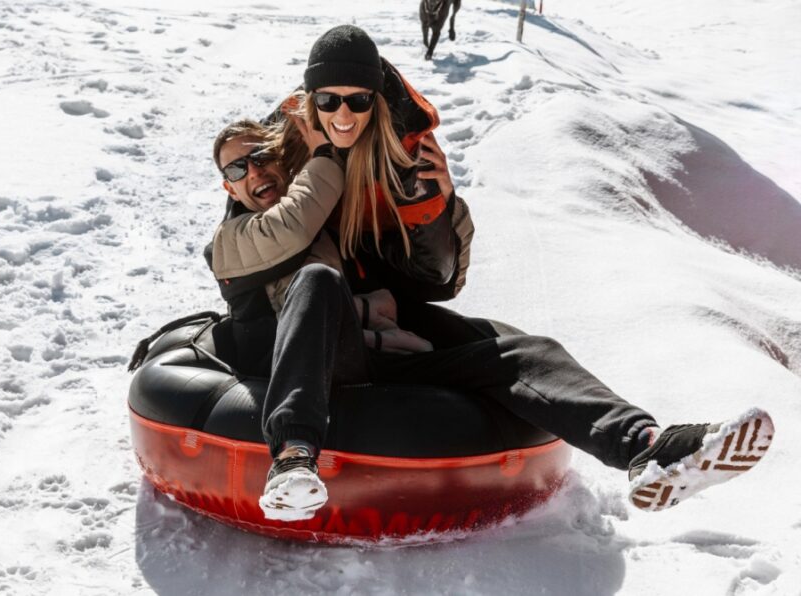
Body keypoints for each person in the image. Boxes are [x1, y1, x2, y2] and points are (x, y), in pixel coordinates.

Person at [206, 25, 774, 521]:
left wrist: (434, 210)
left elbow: (428, 278)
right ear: (226, 184)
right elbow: (295, 229)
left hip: (370, 349)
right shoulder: (230, 241)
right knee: (319, 282)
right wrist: (327, 155)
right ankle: (293, 458)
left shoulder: (330, 214)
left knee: (521, 350)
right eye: (237, 165)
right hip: (295, 360)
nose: (254, 168)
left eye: (261, 153)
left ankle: (648, 447)